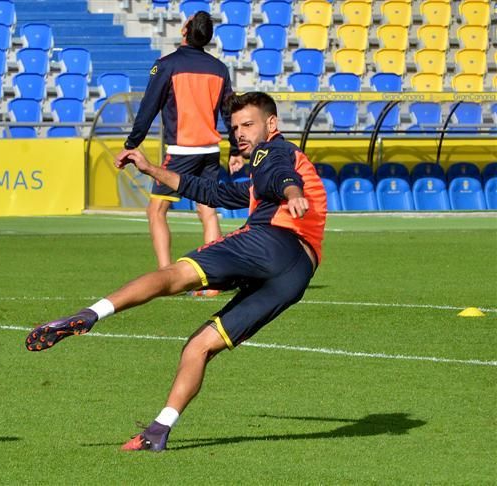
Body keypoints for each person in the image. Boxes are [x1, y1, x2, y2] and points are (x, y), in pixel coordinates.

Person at [25, 92, 328, 452]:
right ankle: (158, 431)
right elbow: (211, 191)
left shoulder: (272, 151)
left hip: (271, 242)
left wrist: (292, 191)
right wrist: (152, 169)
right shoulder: (262, 179)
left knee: (174, 275)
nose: (240, 134)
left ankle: (89, 314)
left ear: (272, 124)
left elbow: (281, 175)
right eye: (234, 128)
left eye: (248, 125)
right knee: (200, 346)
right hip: (296, 275)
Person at [114, 12, 243, 283]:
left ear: (185, 30)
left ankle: (166, 276)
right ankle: (213, 281)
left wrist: (131, 145)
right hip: (209, 150)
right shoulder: (219, 68)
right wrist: (235, 149)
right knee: (207, 211)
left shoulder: (166, 65)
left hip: (182, 151)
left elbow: (148, 108)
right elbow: (229, 112)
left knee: (156, 210)